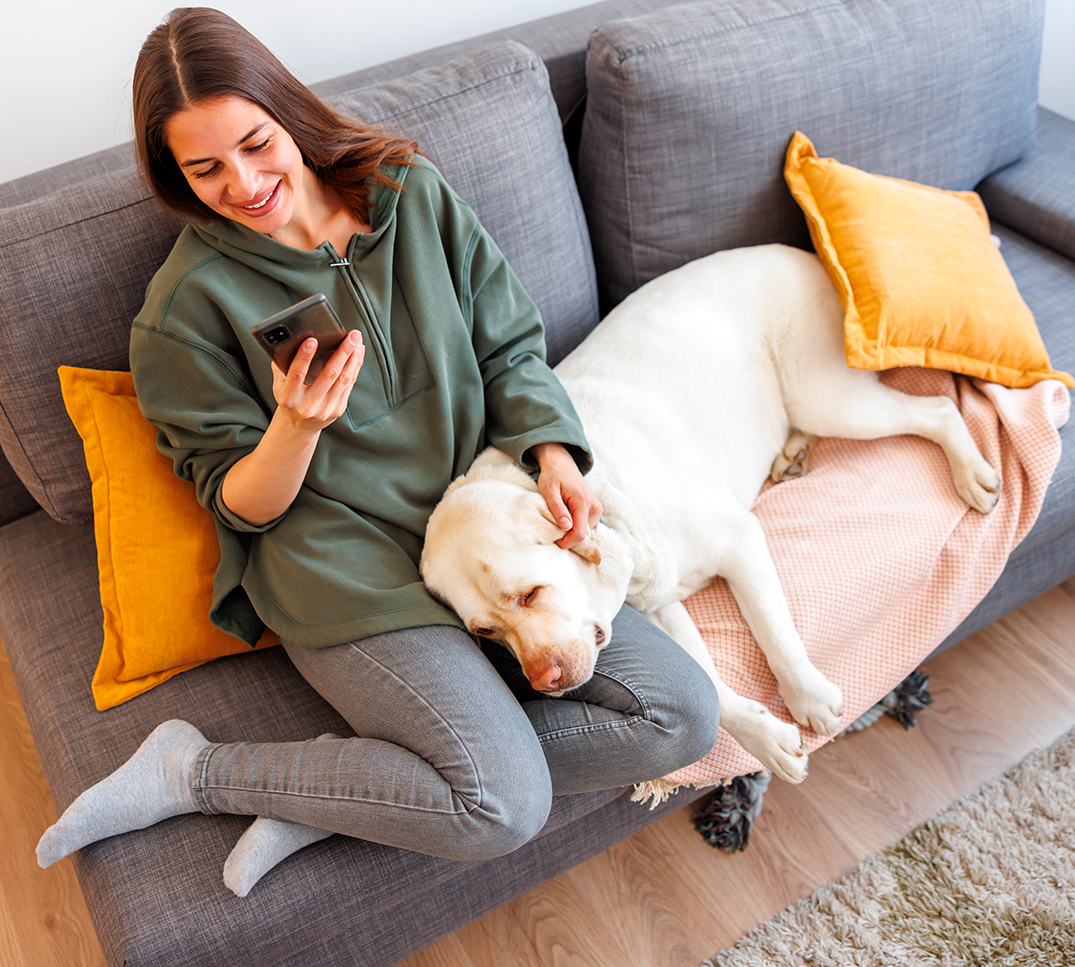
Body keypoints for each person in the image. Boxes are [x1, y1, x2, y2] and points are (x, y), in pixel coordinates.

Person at [36, 7, 720, 896]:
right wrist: (295, 427)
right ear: (173, 174)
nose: (242, 184)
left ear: (288, 111)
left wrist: (550, 454)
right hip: (342, 570)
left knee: (683, 715)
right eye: (204, 169)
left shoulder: (409, 193)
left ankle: (354, 787)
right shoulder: (184, 311)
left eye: (255, 144)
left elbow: (509, 344)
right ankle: (192, 771)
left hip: (479, 538)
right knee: (498, 807)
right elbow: (241, 506)